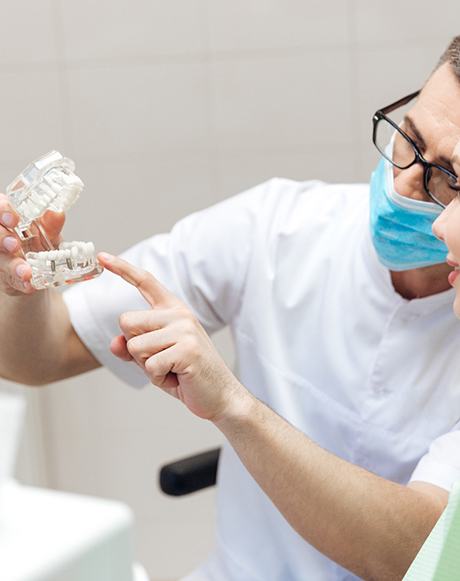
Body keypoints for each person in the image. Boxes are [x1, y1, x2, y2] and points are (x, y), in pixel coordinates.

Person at [1, 35, 460, 581]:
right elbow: (39, 357)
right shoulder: (278, 227)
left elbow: (424, 555)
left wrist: (234, 407)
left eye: (448, 178)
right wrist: (23, 288)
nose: (406, 182)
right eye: (407, 139)